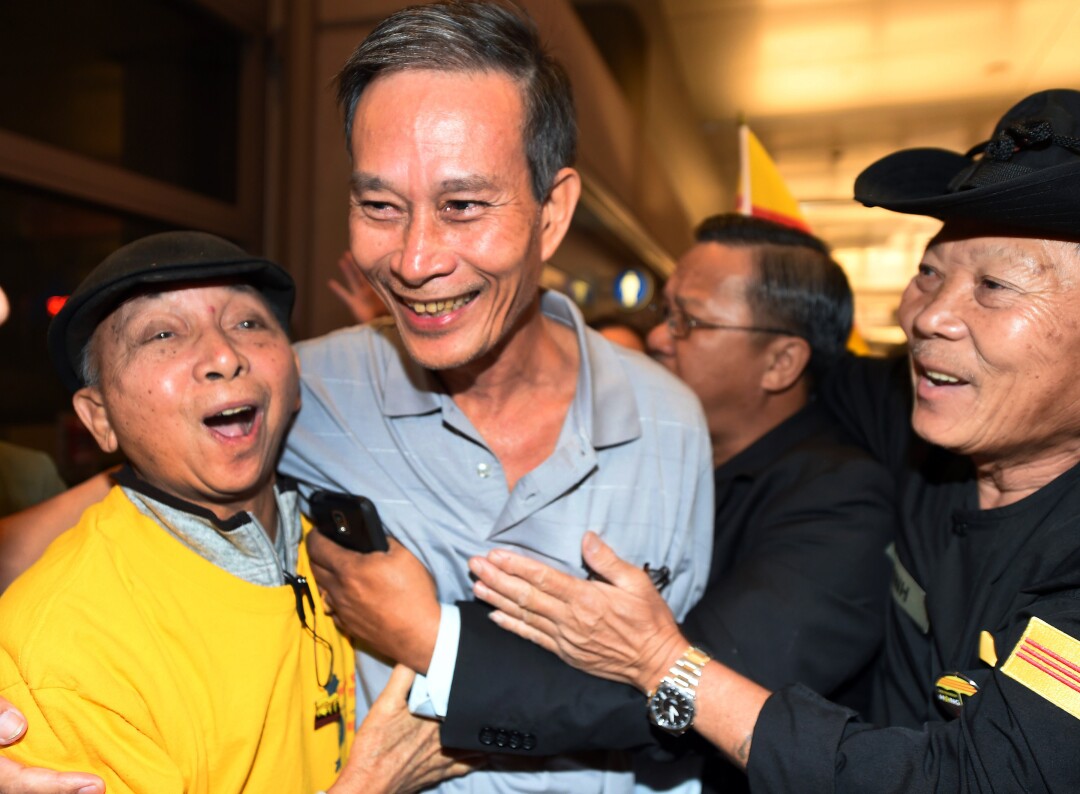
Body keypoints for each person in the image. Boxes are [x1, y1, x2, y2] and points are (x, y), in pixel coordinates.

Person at [0, 3, 714, 792]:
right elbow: (131, 488)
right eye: (379, 206)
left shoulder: (671, 422)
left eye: (462, 205)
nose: (413, 258)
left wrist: (432, 637)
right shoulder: (304, 389)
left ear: (554, 213)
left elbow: (689, 702)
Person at [470, 88, 1080, 792]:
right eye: (928, 273)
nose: (929, 316)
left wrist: (665, 663)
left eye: (995, 285)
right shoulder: (908, 414)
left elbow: (962, 782)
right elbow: (777, 365)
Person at [0, 231, 471, 793]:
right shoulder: (68, 656)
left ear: (295, 377)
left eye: (247, 323)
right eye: (163, 334)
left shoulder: (343, 542)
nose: (224, 356)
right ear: (99, 417)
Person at [440, 214, 895, 793]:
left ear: (781, 362)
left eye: (689, 321)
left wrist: (431, 642)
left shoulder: (839, 499)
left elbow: (691, 684)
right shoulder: (663, 452)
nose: (658, 337)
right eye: (665, 312)